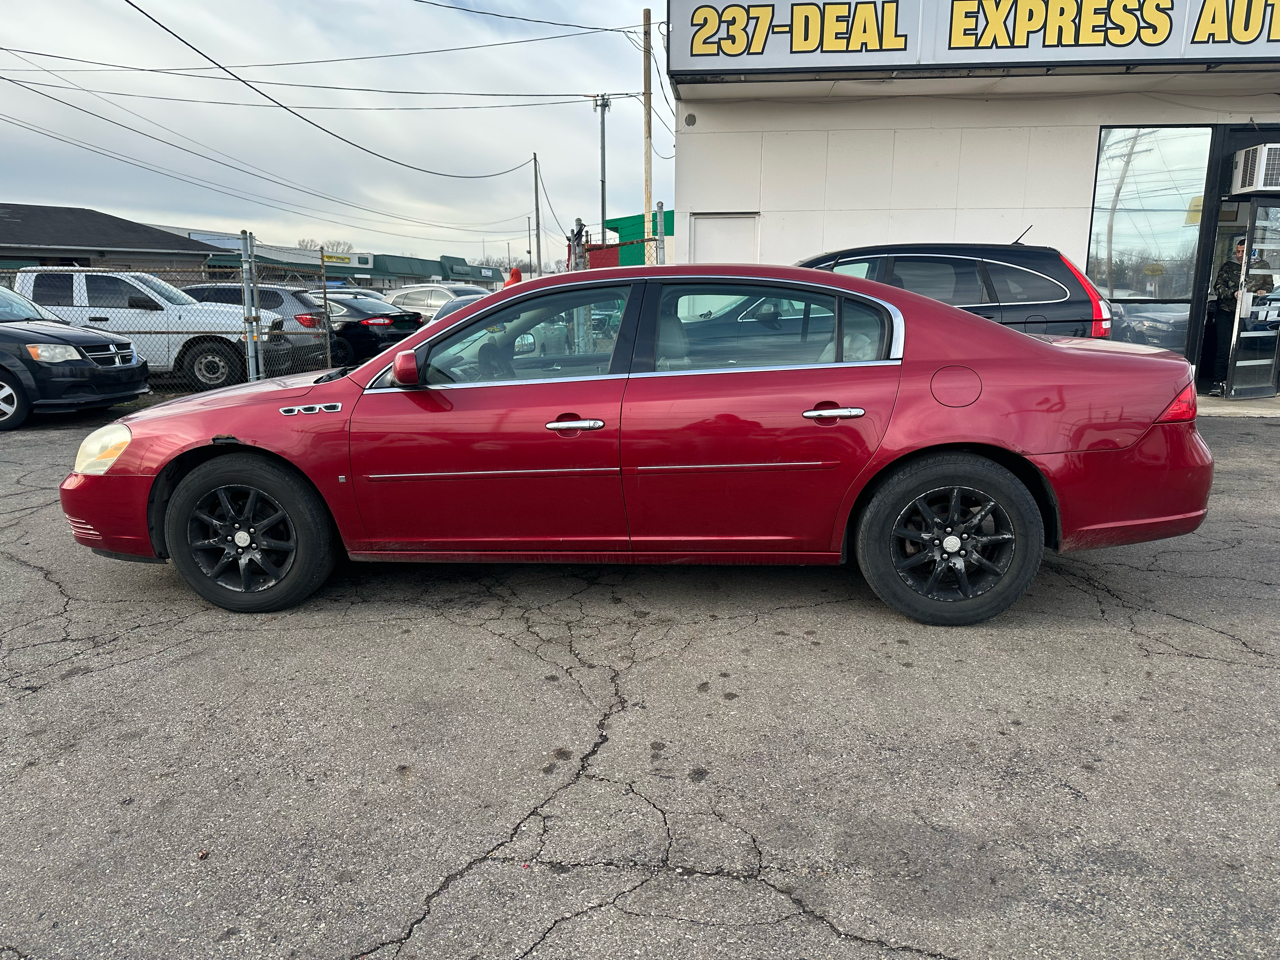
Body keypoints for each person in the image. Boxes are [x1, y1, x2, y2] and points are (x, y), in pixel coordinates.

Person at [1209, 237, 1273, 395]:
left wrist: (1263, 291)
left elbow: (1269, 285)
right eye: (1237, 251)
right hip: (1227, 310)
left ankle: (1238, 382)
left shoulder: (1262, 266)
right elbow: (1217, 287)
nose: (1239, 255)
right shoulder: (1229, 266)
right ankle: (1218, 382)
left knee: (1242, 348)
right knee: (1223, 347)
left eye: (1243, 252)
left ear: (1252, 251)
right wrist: (1233, 293)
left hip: (1247, 313)